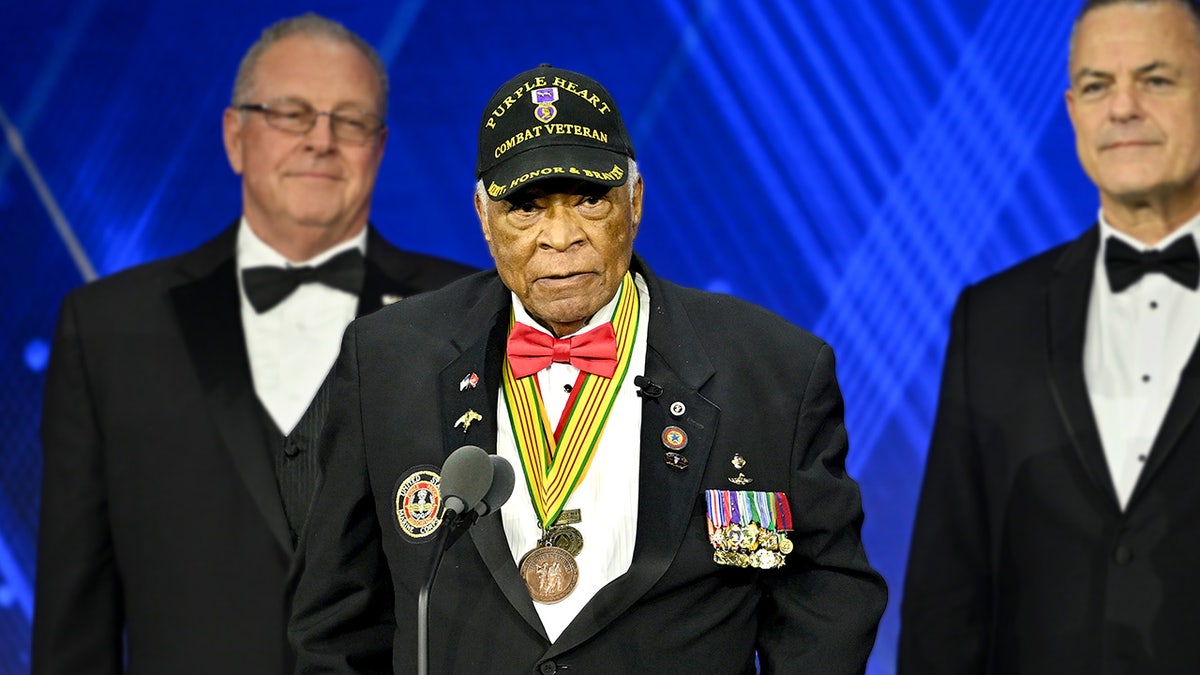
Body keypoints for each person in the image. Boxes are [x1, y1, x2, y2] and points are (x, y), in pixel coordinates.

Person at [290, 64, 886, 674]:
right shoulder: (388, 360)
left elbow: (826, 599)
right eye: (526, 207)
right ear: (482, 217)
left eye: (589, 200)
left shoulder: (773, 369)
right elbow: (336, 618)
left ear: (634, 202)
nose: (560, 237)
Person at [32, 13, 472, 675]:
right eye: (291, 114)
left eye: (349, 120)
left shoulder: (473, 314)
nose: (321, 140)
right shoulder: (106, 327)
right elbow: (75, 619)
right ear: (235, 137)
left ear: (378, 148)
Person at [899, 0, 1200, 672]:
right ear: (1072, 113)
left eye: (1155, 79)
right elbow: (947, 591)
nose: (1121, 107)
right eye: (1097, 85)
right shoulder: (991, 316)